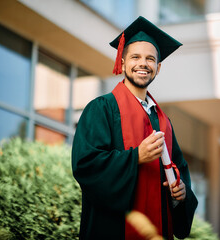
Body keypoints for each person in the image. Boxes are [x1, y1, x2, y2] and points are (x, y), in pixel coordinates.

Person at [72, 16, 198, 240]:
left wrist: (181, 194)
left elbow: (181, 171)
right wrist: (136, 156)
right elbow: (86, 166)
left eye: (150, 59)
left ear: (158, 68)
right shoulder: (101, 109)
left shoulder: (164, 122)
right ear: (122, 63)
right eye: (135, 57)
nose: (143, 63)